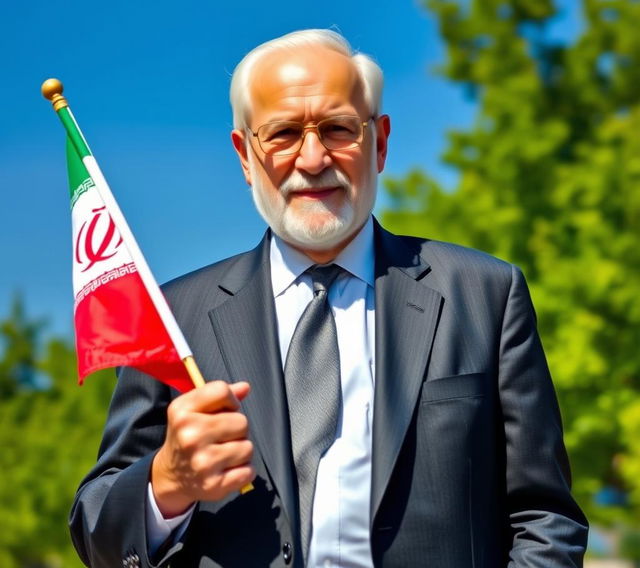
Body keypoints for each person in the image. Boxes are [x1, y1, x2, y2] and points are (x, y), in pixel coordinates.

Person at [70, 29, 588, 568]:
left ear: (380, 142)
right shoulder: (176, 317)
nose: (313, 158)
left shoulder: (485, 295)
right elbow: (96, 529)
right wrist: (166, 484)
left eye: (339, 128)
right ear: (245, 155)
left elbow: (544, 518)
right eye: (284, 133)